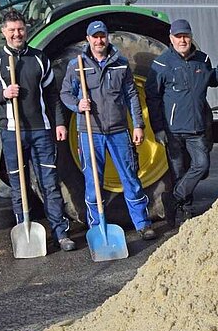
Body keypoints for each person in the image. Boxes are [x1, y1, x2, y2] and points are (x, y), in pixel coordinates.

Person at [0, 9, 75, 251]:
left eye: (20, 29)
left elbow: (52, 95)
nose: (16, 34)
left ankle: (60, 233)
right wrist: (4, 93)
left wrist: (59, 123)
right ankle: (24, 231)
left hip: (41, 131)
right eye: (12, 30)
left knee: (50, 184)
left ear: (25, 30)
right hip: (12, 132)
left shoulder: (39, 59)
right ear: (4, 32)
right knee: (19, 186)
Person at [60, 20, 158, 240]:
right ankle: (97, 226)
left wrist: (138, 125)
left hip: (119, 131)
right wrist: (78, 105)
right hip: (90, 133)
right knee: (93, 182)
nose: (99, 41)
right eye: (95, 37)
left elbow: (131, 95)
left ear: (107, 37)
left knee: (130, 178)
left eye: (102, 36)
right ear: (88, 39)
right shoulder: (77, 65)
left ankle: (142, 223)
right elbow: (65, 93)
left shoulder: (120, 64)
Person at [145, 18, 218, 226]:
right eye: (178, 36)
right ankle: (184, 209)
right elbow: (152, 98)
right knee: (179, 172)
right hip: (173, 130)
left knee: (201, 166)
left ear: (191, 37)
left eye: (186, 36)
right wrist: (158, 128)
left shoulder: (202, 59)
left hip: (197, 127)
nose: (182, 40)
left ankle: (172, 199)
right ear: (171, 38)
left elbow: (212, 81)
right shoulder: (162, 64)